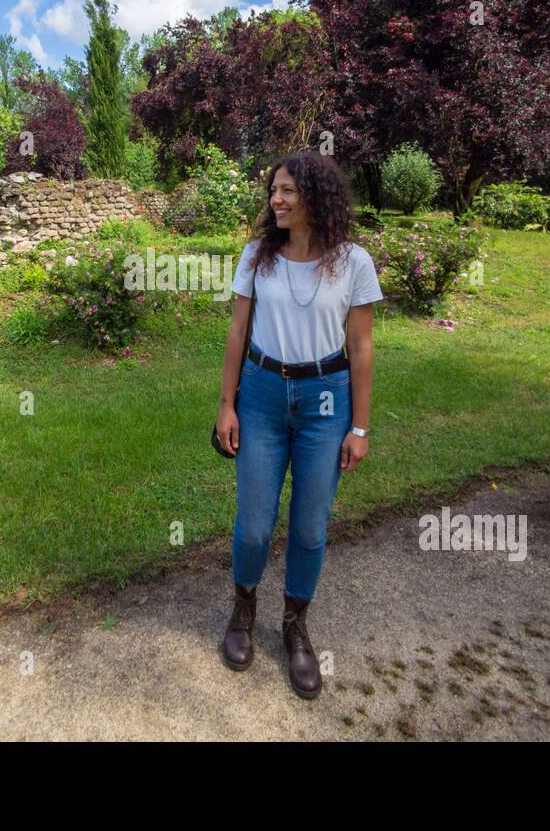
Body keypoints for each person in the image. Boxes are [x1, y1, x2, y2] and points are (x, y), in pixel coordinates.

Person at [216, 152, 384, 699]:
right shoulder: (257, 257)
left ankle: (295, 626)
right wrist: (227, 404)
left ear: (316, 195)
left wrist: (360, 427)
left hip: (325, 402)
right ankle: (244, 610)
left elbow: (360, 346)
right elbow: (237, 333)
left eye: (287, 190)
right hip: (262, 394)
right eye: (273, 191)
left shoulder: (353, 262)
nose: (277, 200)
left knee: (311, 526)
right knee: (255, 524)